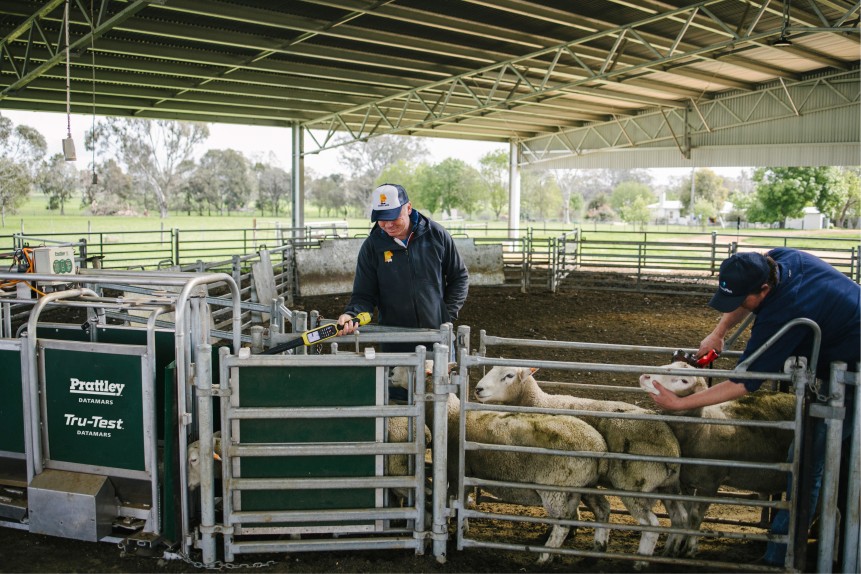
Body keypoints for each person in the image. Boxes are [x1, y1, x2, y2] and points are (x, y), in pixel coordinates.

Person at [648, 248, 860, 566]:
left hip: (852, 373)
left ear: (764, 289)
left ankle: (782, 556)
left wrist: (680, 402)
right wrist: (718, 332)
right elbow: (744, 301)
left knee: (807, 458)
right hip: (838, 359)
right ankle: (830, 534)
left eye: (740, 299)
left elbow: (744, 383)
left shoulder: (785, 311)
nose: (735, 305)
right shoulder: (779, 259)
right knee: (837, 456)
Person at [337, 183, 469, 354]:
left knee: (441, 372)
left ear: (408, 208)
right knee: (397, 373)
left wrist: (446, 315)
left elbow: (459, 276)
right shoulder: (372, 247)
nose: (388, 224)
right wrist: (352, 314)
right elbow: (363, 295)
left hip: (437, 337)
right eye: (382, 218)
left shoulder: (436, 235)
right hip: (395, 340)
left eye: (393, 217)